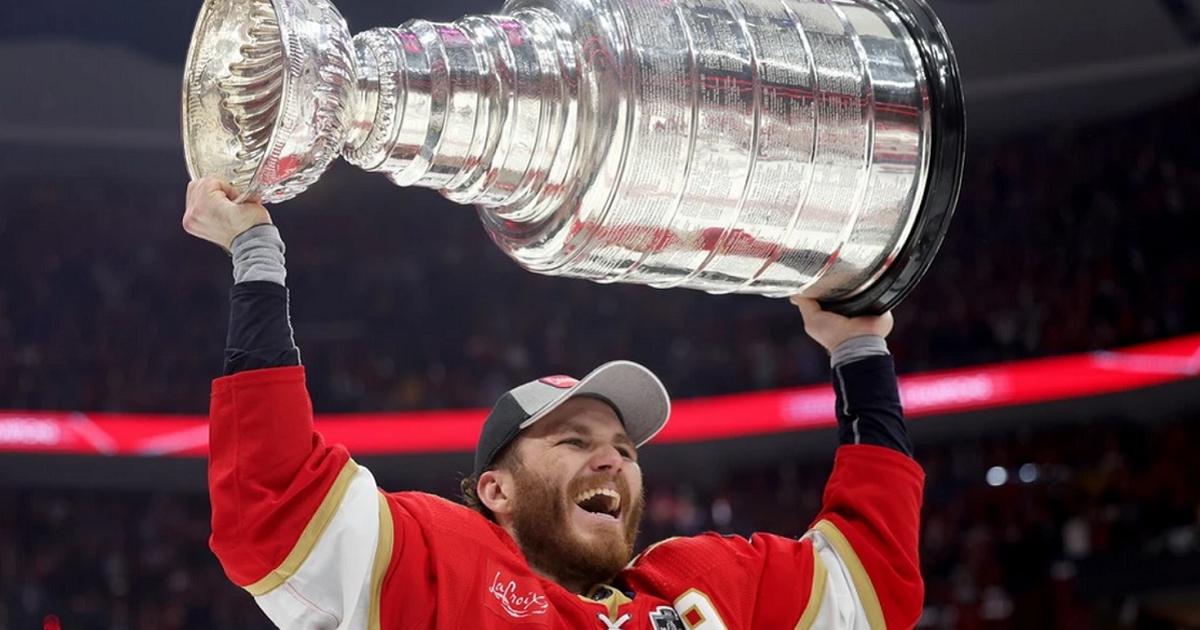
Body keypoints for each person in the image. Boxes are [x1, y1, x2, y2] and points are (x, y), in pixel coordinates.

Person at [183, 178, 925, 629]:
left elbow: (871, 583)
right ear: (494, 490)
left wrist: (858, 347)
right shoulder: (440, 566)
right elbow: (274, 505)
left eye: (625, 449)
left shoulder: (705, 590)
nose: (612, 457)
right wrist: (255, 252)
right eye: (572, 441)